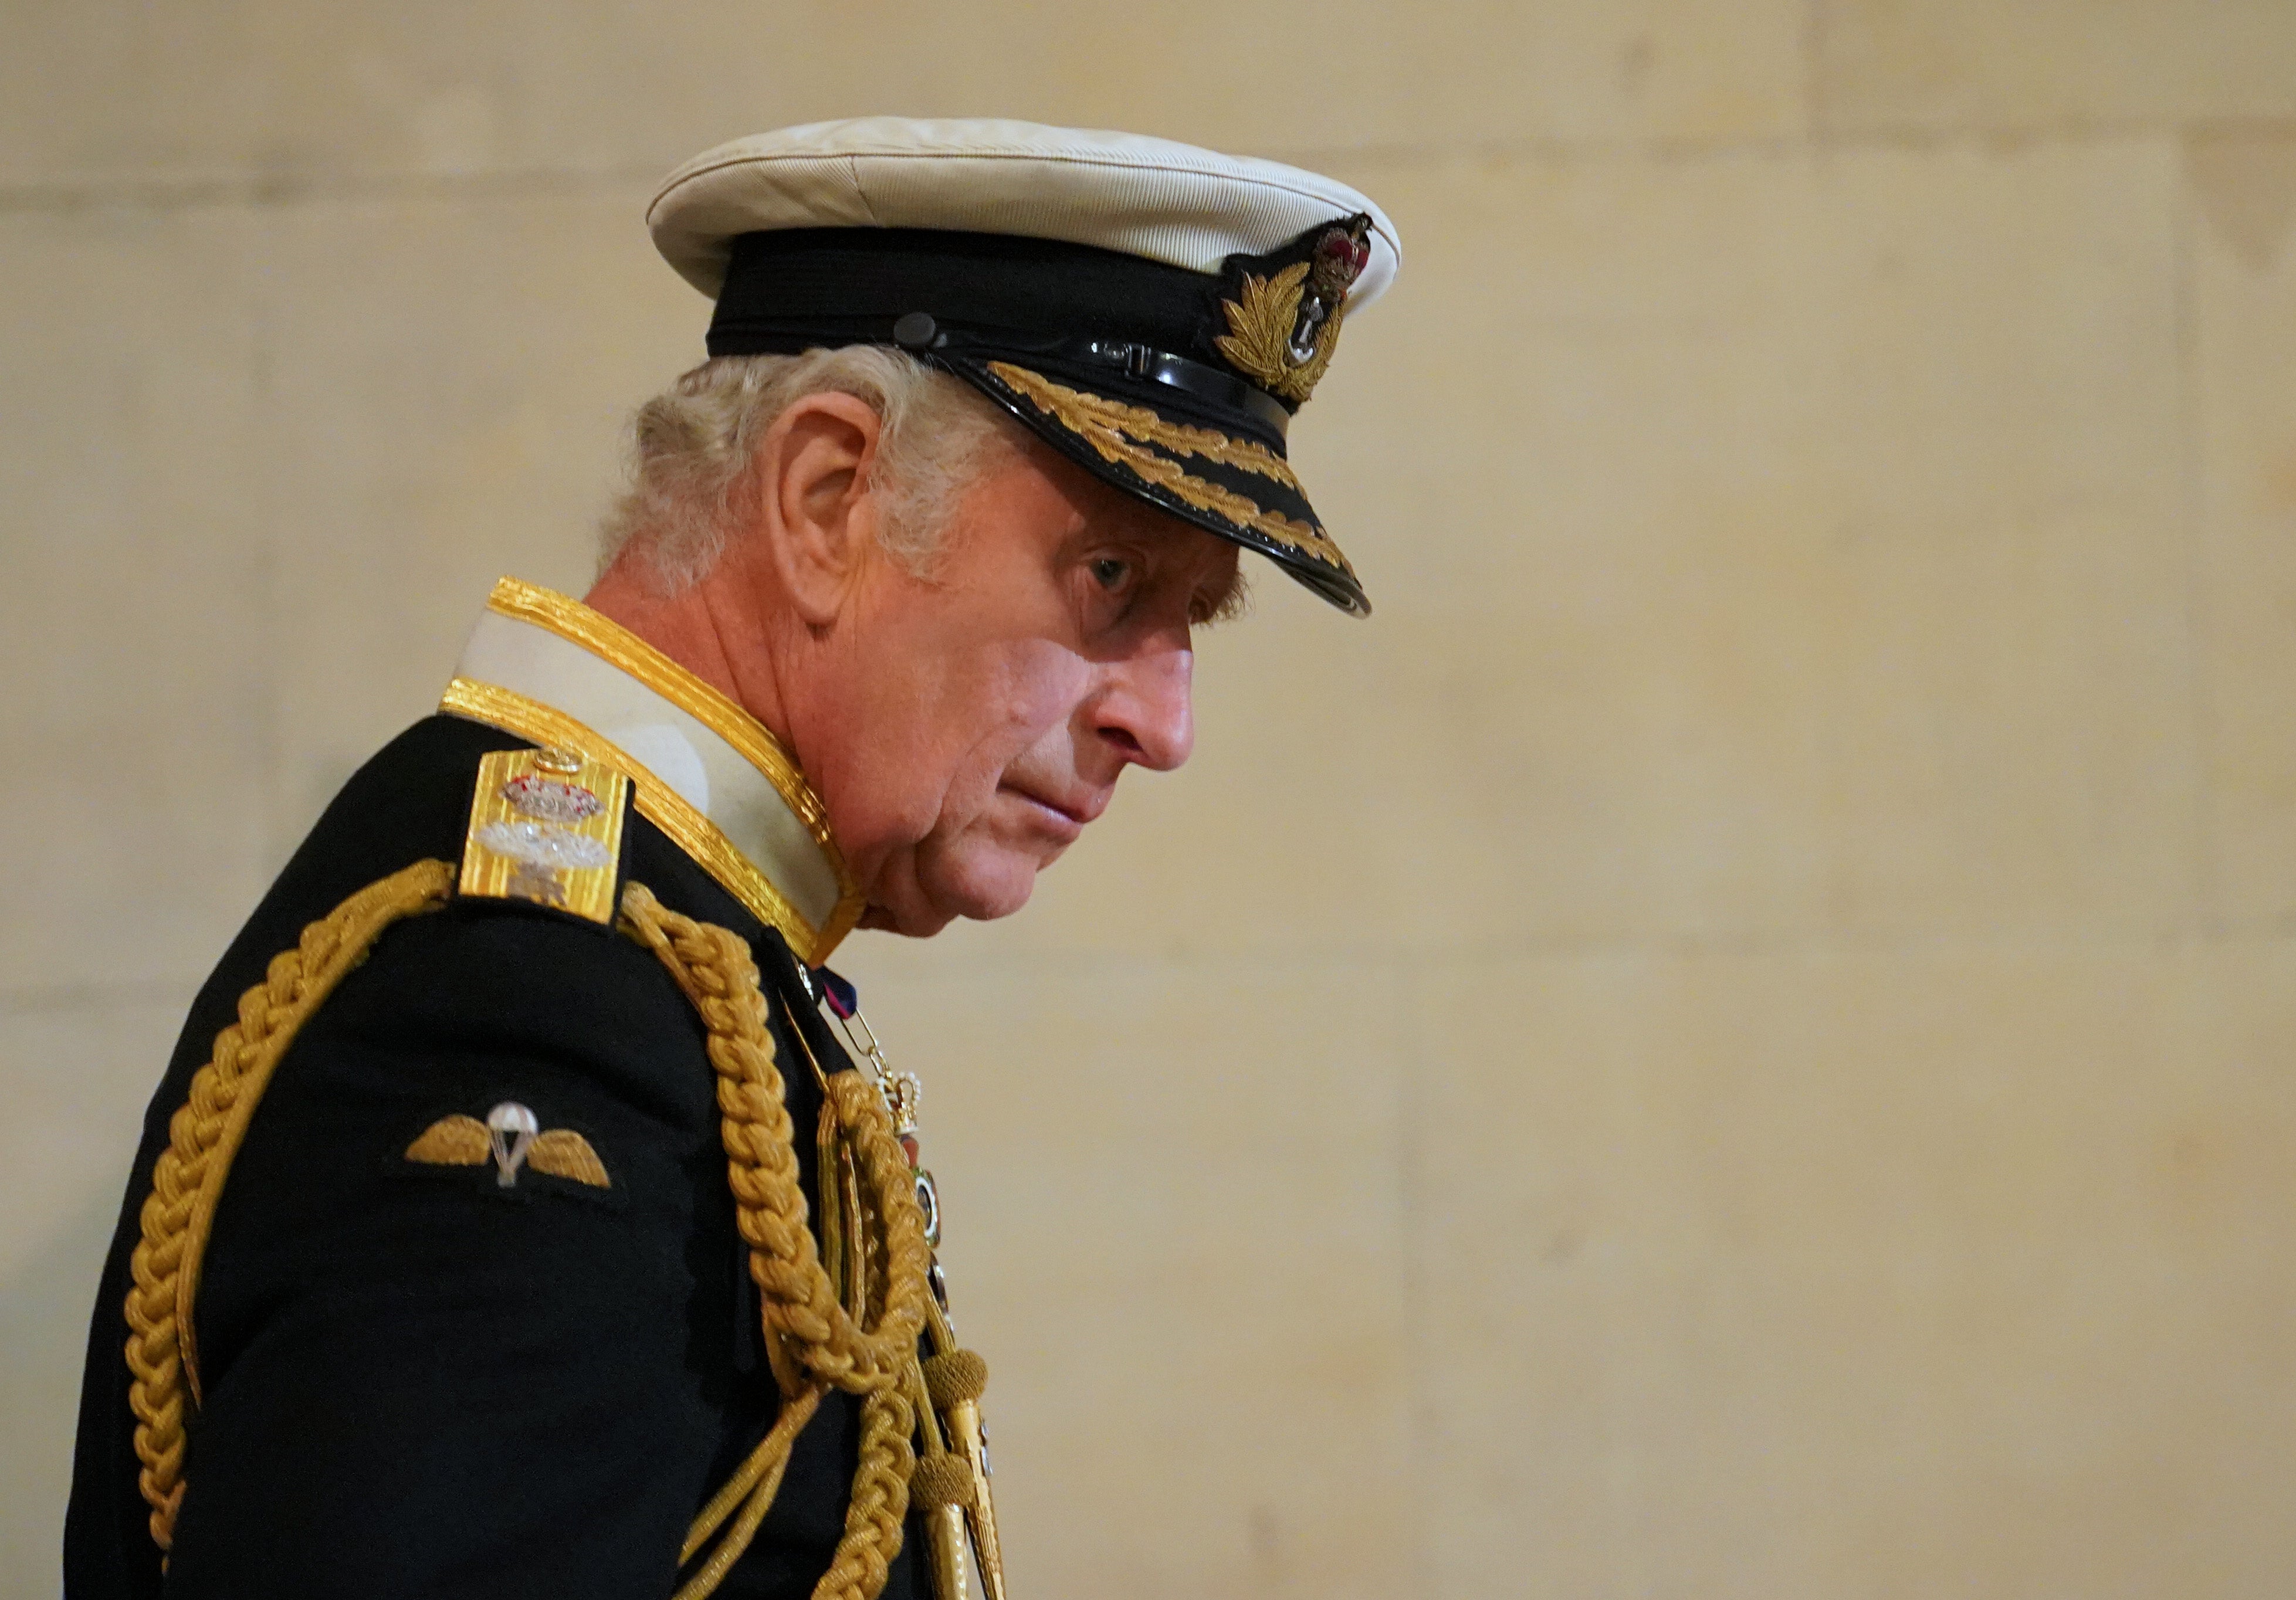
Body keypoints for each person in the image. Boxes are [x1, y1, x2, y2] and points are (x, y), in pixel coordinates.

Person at [63, 116, 1400, 1600]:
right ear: (827, 498)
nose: (1163, 723)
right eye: (1109, 578)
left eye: (1190, 619)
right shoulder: (524, 990)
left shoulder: (659, 945)